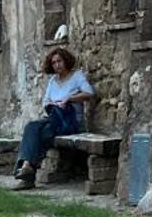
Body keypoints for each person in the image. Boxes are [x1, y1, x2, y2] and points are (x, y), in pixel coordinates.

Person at [14, 46, 95, 189]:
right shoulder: (52, 81)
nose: (57, 65)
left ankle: (27, 175)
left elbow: (89, 93)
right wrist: (53, 104)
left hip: (70, 122)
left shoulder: (77, 76)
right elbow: (45, 102)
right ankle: (27, 168)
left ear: (66, 61)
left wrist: (69, 99)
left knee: (39, 132)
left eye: (60, 61)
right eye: (54, 62)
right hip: (53, 119)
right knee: (32, 127)